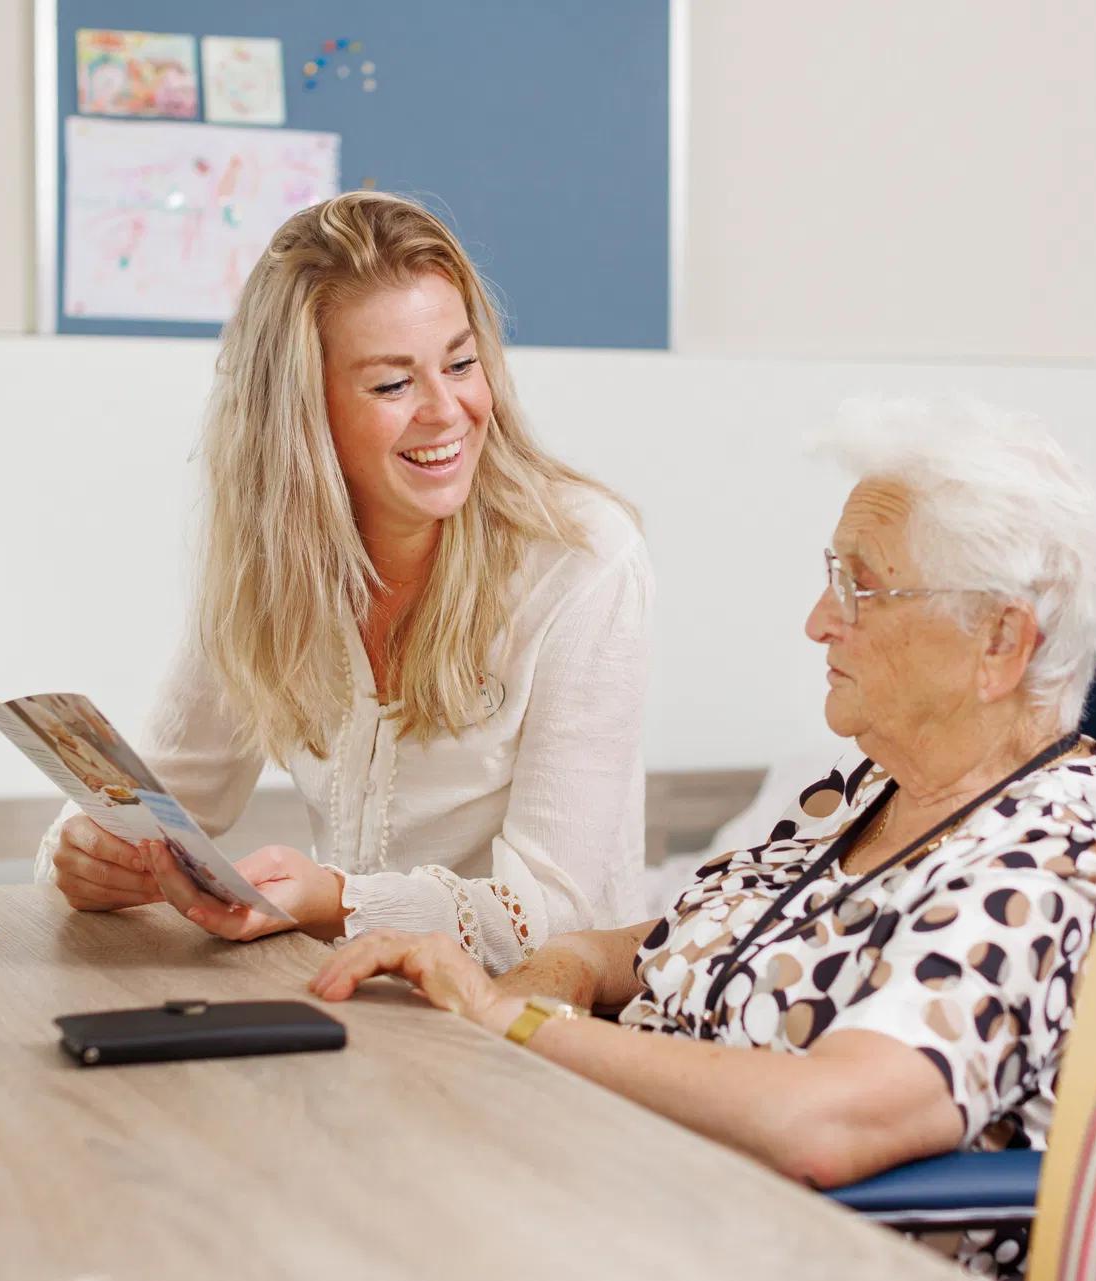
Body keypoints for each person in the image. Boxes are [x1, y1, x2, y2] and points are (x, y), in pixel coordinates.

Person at [194, 396, 1096, 1277]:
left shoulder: (1048, 859)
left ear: (1001, 642)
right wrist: (563, 968)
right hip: (618, 1187)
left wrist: (516, 1023)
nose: (819, 620)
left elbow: (825, 1120)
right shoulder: (874, 793)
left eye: (859, 588)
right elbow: (673, 946)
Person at [37, 192, 652, 970]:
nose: (448, 411)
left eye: (461, 364)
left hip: (530, 1035)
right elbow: (167, 795)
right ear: (302, 415)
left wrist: (339, 898)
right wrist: (85, 850)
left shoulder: (583, 559)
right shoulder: (271, 562)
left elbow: (561, 915)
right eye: (394, 385)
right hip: (355, 1008)